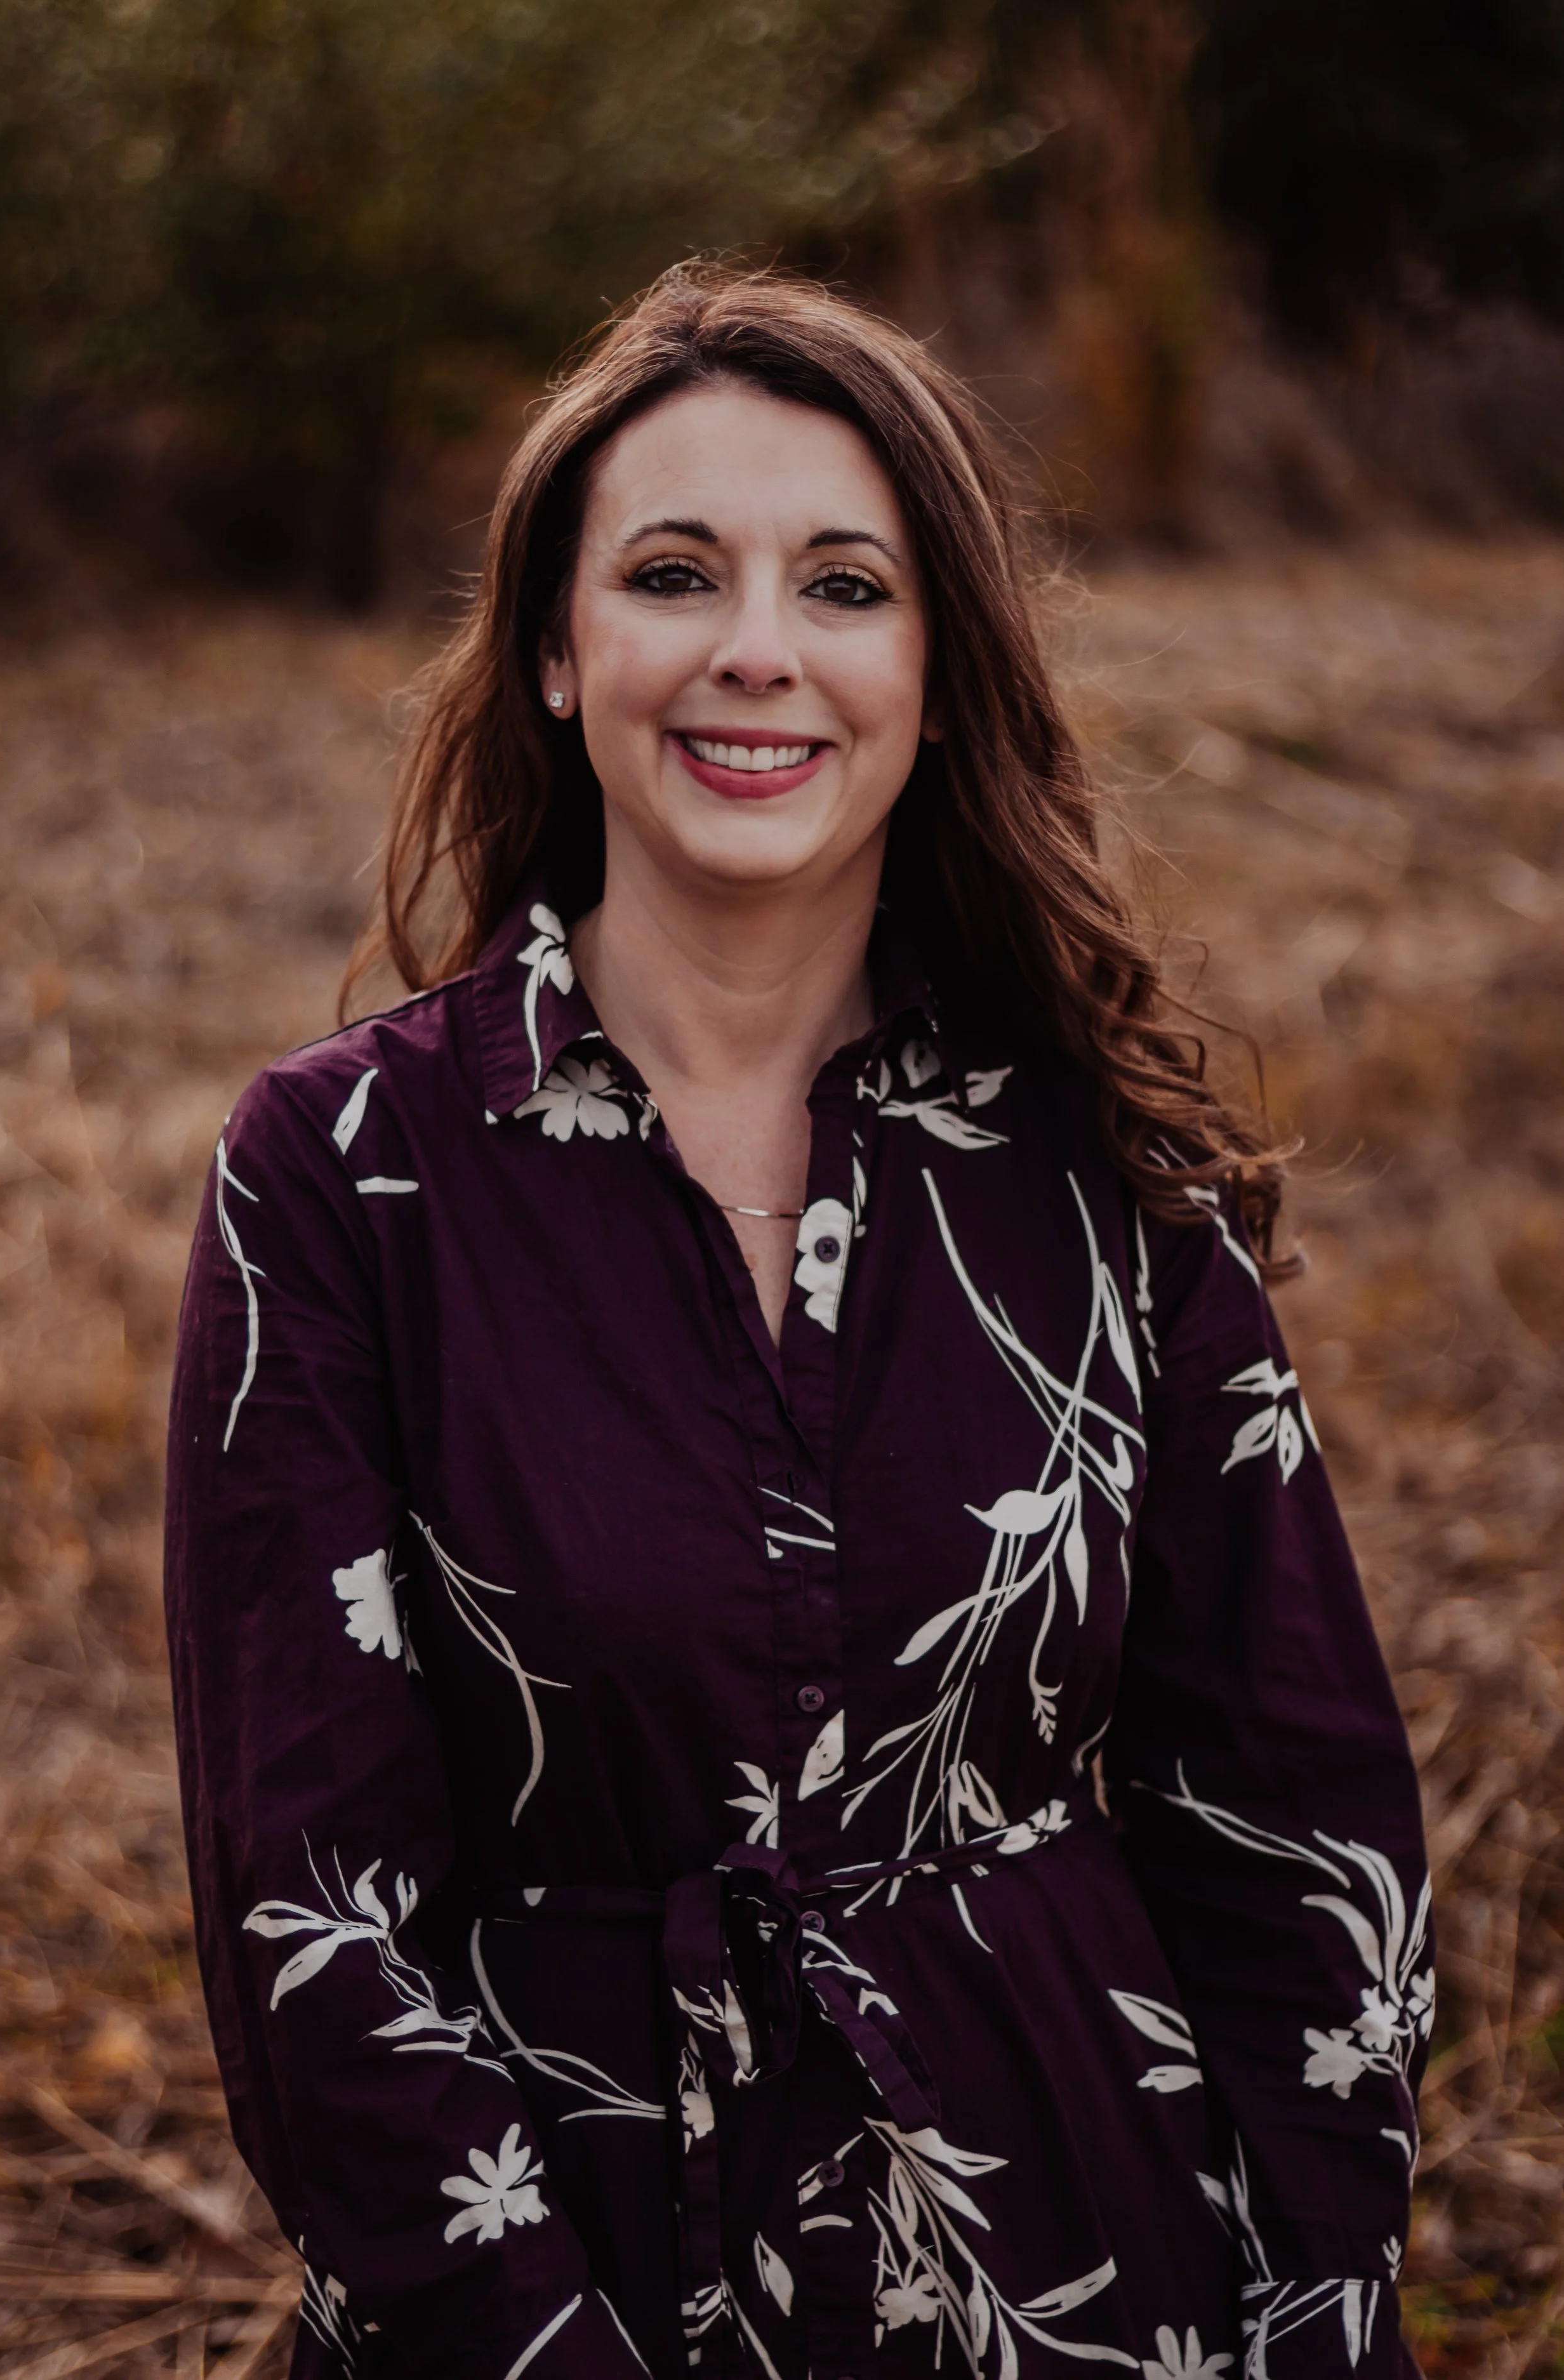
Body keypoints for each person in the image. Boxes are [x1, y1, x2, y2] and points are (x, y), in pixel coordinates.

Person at [164, 263, 1431, 2380]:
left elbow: (1297, 1815)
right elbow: (311, 1928)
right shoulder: (342, 1177)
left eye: (845, 583)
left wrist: (1315, 2299)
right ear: (558, 653)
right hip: (544, 2281)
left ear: (933, 666)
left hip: (1086, 2266)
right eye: (673, 573)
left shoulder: (1107, 1174)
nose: (758, 649)